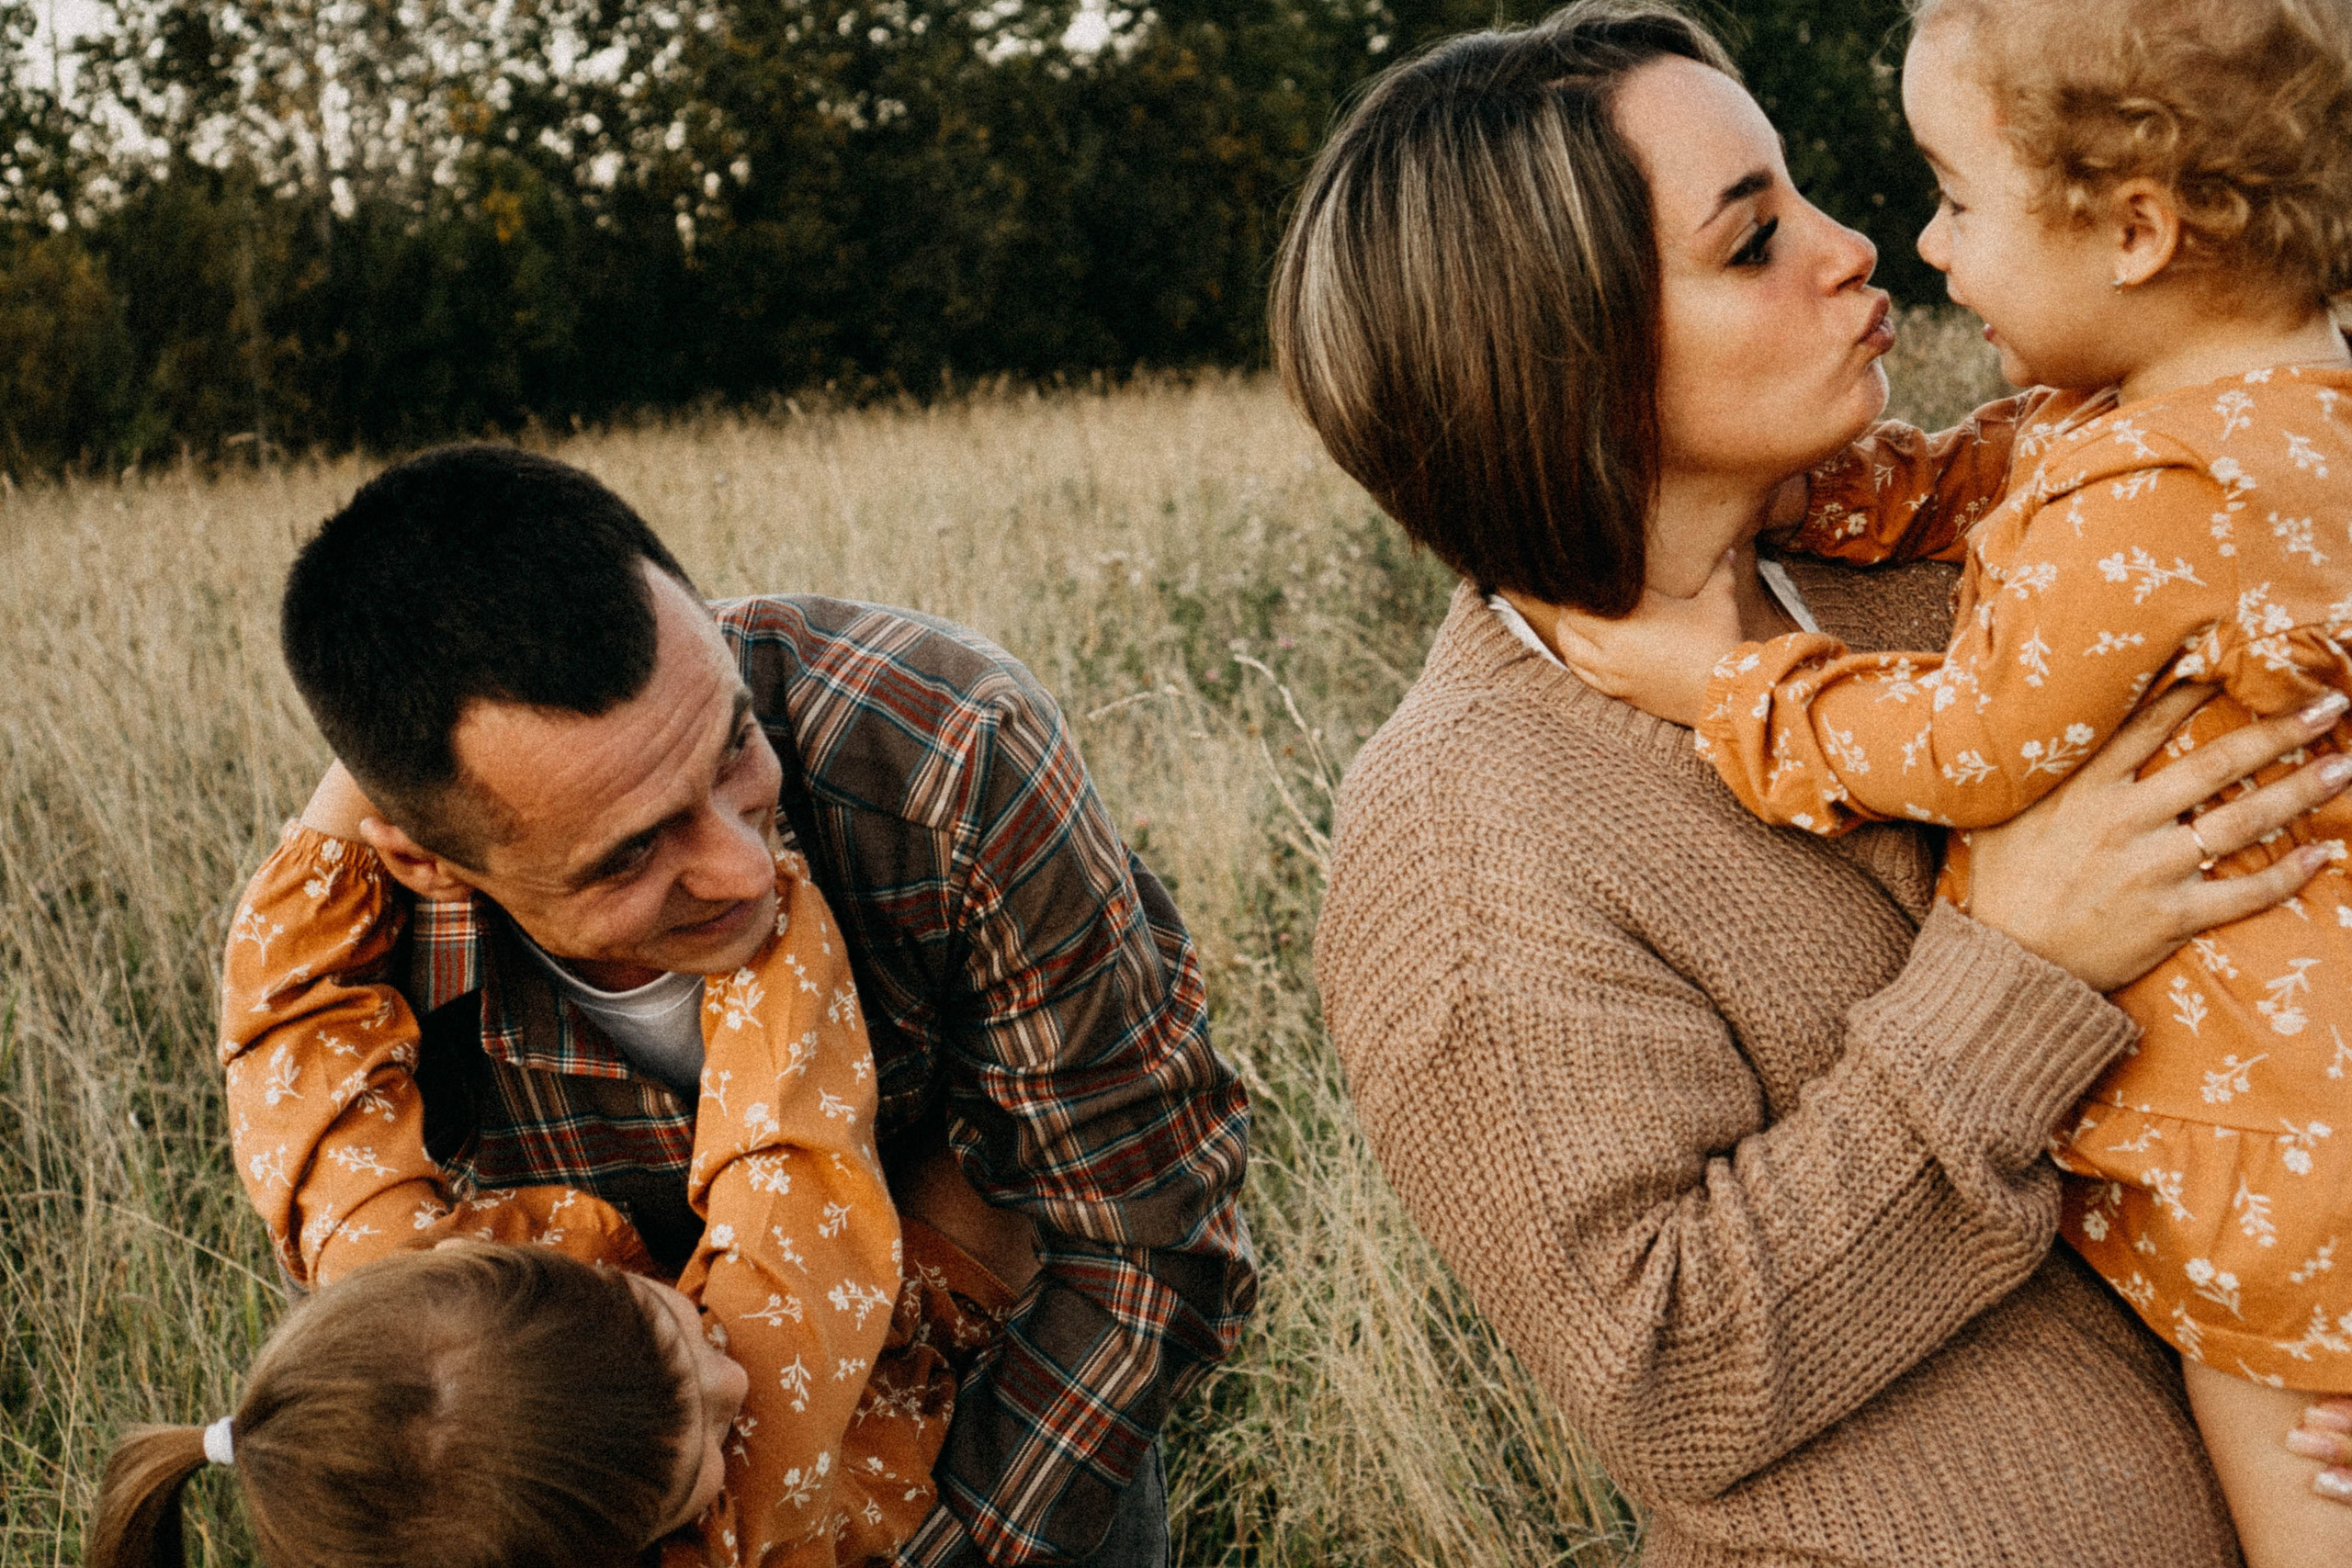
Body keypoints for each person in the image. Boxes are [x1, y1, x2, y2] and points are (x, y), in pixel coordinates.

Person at [1285, 3, 2352, 1563]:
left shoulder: (1973, 563)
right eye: (1751, 241)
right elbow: (1668, 1369)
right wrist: (2021, 974)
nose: (1859, 246)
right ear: (1558, 356)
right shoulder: (1465, 832)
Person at [209, 446, 1255, 1565]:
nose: (747, 871)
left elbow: (1149, 1241)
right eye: (630, 855)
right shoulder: (391, 975)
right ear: (429, 864)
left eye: (734, 744)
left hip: (1024, 1428)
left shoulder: (942, 752)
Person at [96, 839, 1012, 1567]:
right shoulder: (744, 1495)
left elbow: (291, 1035)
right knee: (981, 1160)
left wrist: (377, 802)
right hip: (871, 1428)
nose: (726, 1381)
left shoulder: (390, 1287)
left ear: (468, 1264)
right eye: (693, 1459)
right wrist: (740, 880)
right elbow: (790, 1160)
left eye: (664, 1338)